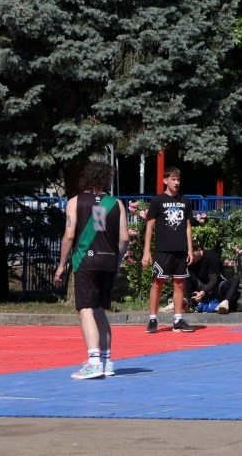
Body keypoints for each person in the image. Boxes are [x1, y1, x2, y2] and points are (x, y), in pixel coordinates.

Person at [54, 160, 130, 379]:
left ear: (85, 178)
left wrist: (61, 265)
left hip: (86, 261)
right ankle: (106, 361)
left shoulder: (75, 202)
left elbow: (69, 235)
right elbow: (124, 238)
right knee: (99, 310)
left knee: (85, 309)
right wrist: (116, 261)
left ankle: (94, 361)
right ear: (105, 179)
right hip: (108, 262)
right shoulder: (116, 204)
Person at [142, 166, 197, 333]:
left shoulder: (185, 200)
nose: (176, 182)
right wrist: (146, 252)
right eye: (173, 179)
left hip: (180, 250)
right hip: (163, 250)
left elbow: (188, 226)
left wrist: (190, 249)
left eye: (178, 179)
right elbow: (150, 227)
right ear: (165, 180)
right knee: (158, 283)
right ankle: (152, 319)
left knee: (179, 284)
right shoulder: (157, 200)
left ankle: (178, 319)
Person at [186, 245, 240, 314]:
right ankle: (190, 303)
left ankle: (225, 303)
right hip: (201, 287)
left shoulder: (211, 256)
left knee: (234, 281)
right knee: (185, 275)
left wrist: (202, 293)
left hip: (216, 286)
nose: (192, 258)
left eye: (193, 255)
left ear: (199, 250)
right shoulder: (190, 260)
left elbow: (213, 280)